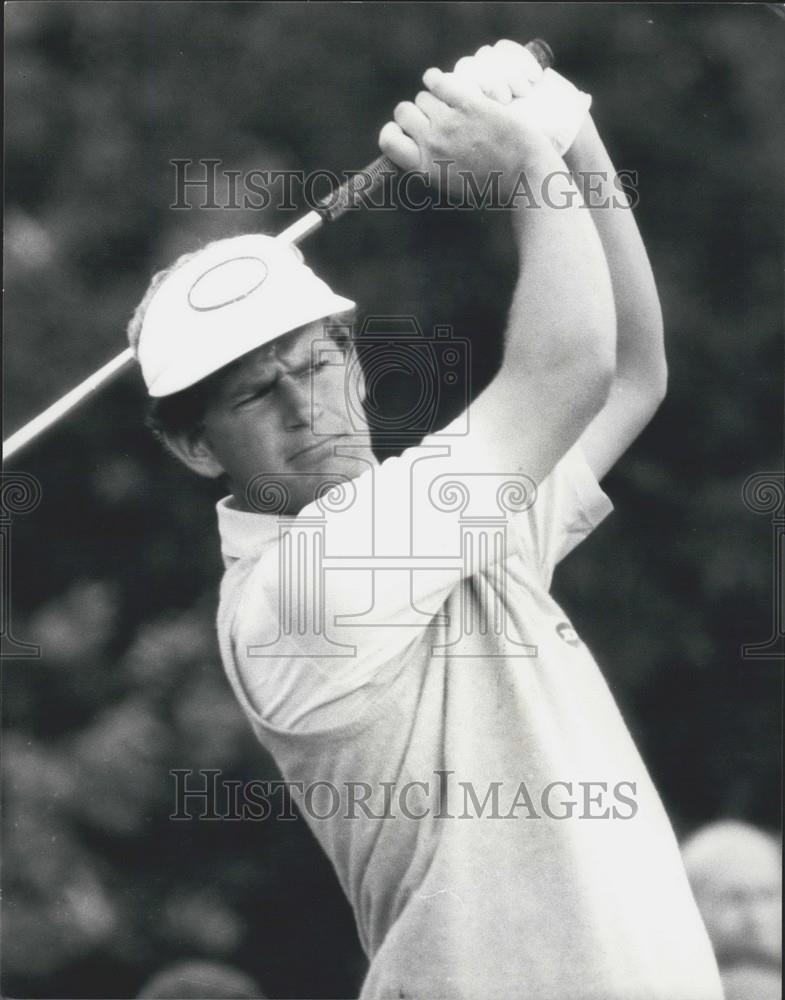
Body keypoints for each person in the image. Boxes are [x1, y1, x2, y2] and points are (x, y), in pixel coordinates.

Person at [128, 40, 723, 1000]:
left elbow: (625, 375)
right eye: (254, 395)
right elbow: (566, 367)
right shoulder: (299, 591)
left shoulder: (436, 515)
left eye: (317, 362)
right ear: (196, 449)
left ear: (355, 364)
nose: (306, 407)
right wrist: (526, 163)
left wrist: (567, 126)